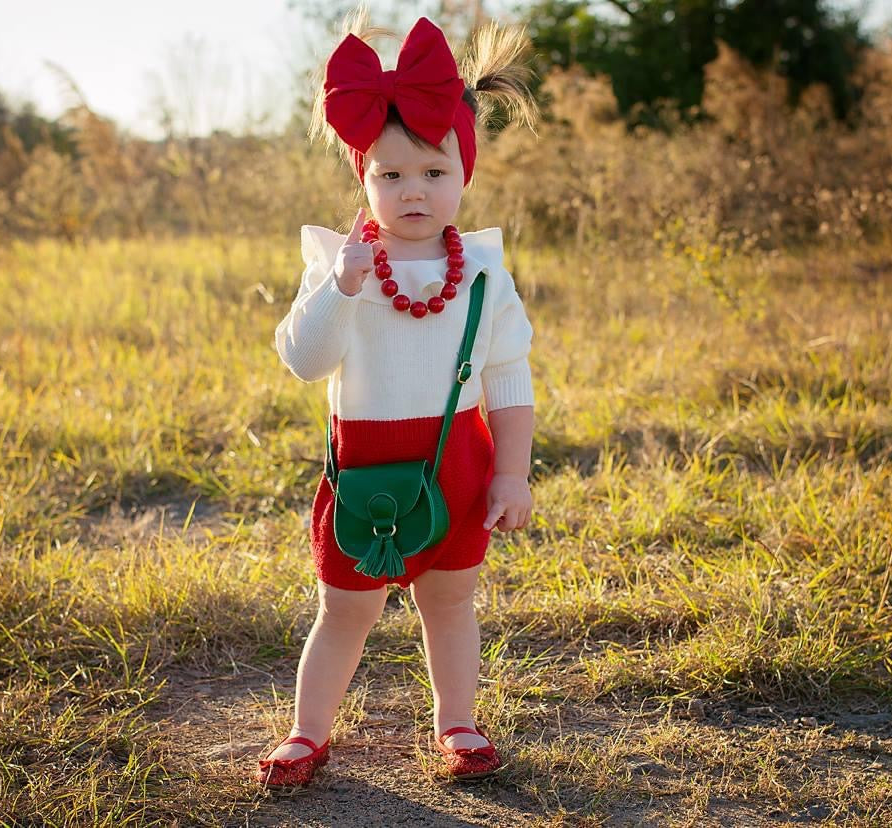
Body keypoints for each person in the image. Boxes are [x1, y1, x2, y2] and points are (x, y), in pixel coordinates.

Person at [261, 10, 541, 788]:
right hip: (364, 472)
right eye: (390, 175)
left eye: (433, 172)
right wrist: (343, 288)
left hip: (457, 465)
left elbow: (510, 383)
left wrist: (512, 474)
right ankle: (306, 732)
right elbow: (304, 363)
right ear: (364, 179)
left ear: (464, 174)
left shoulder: (483, 275)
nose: (412, 190)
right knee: (344, 610)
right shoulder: (341, 268)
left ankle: (458, 722)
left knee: (450, 605)